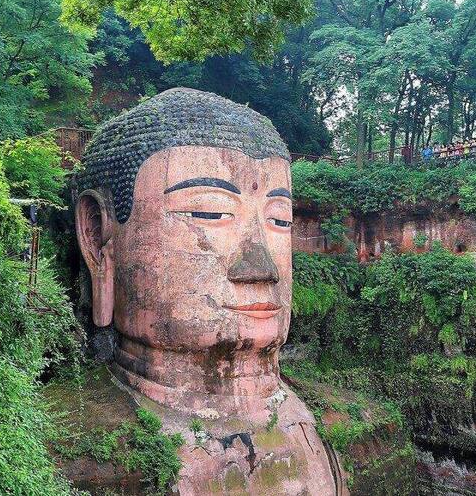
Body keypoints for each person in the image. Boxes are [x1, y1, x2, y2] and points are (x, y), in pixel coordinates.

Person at [72, 87, 346, 494]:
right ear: (98, 237)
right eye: (208, 212)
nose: (261, 267)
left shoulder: (346, 432)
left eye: (280, 221)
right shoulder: (81, 464)